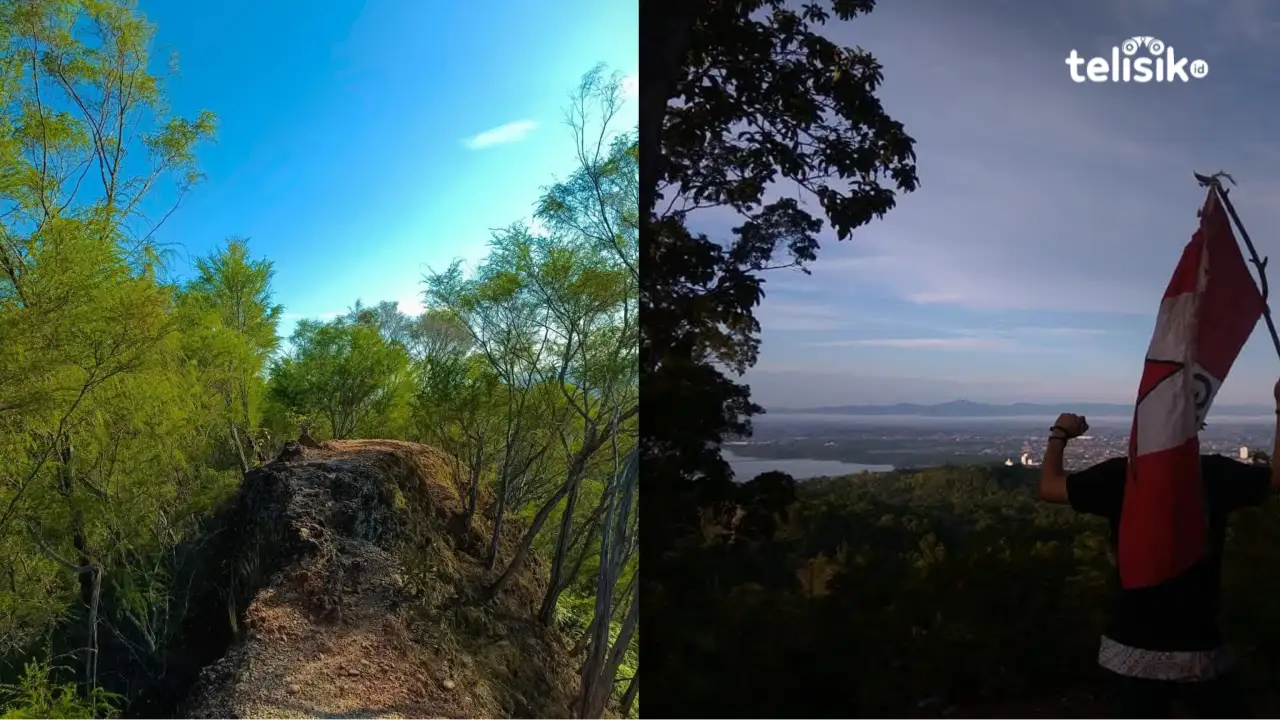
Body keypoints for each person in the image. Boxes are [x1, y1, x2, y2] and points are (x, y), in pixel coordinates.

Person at [1037, 381, 1280, 720]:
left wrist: (1060, 433)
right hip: (1198, 642)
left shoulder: (1120, 476)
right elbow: (1275, 479)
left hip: (1133, 642)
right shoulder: (1212, 473)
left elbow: (1049, 487)